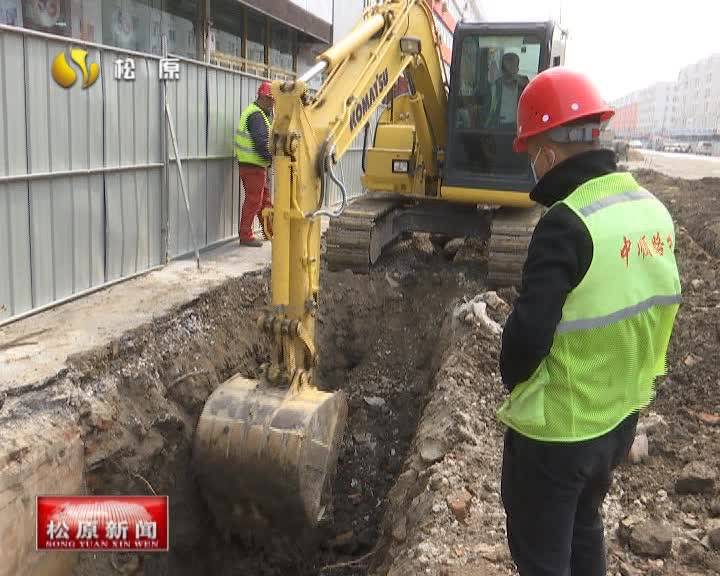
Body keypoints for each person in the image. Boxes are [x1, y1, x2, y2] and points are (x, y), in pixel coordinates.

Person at [497, 67, 681, 576]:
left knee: (542, 557)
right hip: (619, 420)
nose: (532, 165)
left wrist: (510, 374)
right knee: (583, 527)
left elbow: (527, 338)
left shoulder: (567, 222)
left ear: (549, 152)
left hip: (558, 431)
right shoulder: (652, 211)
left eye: (532, 152)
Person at [234, 81, 274, 247]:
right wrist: (272, 159)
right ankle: (245, 235)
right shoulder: (257, 115)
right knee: (254, 200)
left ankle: (269, 231)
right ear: (264, 97)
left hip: (254, 164)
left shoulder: (258, 113)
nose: (273, 104)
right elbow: (261, 142)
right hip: (253, 165)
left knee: (264, 199)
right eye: (271, 100)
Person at [487, 52, 529, 128]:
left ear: (517, 68)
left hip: (519, 127)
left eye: (513, 66)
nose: (510, 71)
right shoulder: (495, 87)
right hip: (499, 127)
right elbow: (488, 111)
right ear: (503, 70)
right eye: (507, 68)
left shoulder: (524, 86)